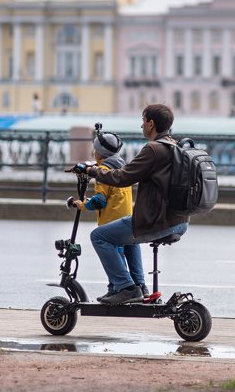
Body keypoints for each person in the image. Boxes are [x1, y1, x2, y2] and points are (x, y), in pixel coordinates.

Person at [86, 104, 188, 305]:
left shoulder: (153, 149)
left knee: (98, 236)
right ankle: (140, 286)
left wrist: (91, 171)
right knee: (127, 230)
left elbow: (122, 177)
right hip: (179, 220)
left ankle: (126, 287)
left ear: (151, 124)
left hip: (156, 221)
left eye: (143, 121)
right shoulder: (175, 146)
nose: (141, 125)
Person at [69, 129, 147, 300]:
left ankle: (121, 288)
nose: (93, 152)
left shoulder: (102, 171)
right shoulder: (122, 167)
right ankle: (139, 285)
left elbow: (99, 201)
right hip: (128, 219)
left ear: (100, 152)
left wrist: (82, 205)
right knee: (131, 249)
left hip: (113, 223)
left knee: (115, 256)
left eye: (95, 149)